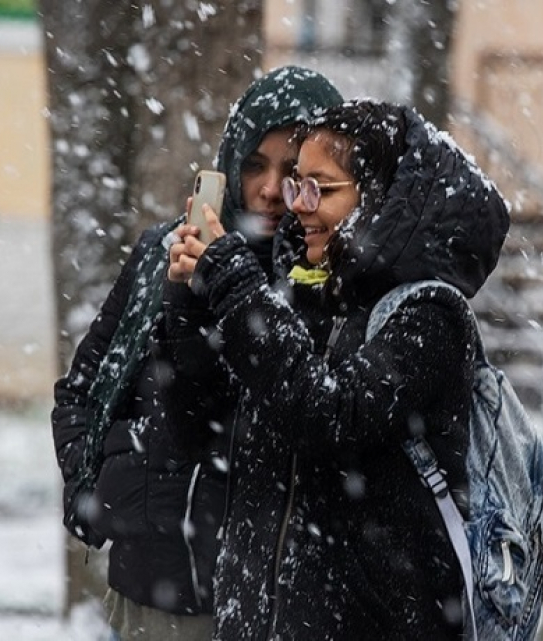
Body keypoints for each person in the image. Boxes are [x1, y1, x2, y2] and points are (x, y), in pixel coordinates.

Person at [166, 99, 510, 639]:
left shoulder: (429, 317)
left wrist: (233, 284)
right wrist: (191, 298)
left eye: (319, 189)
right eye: (294, 186)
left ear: (379, 197)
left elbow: (329, 414)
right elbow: (203, 425)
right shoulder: (299, 296)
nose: (298, 206)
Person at [51, 66, 342, 640]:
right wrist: (109, 481)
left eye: (292, 172)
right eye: (255, 164)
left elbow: (279, 416)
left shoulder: (324, 277)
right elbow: (83, 389)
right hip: (146, 592)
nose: (267, 189)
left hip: (264, 606)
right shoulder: (163, 253)